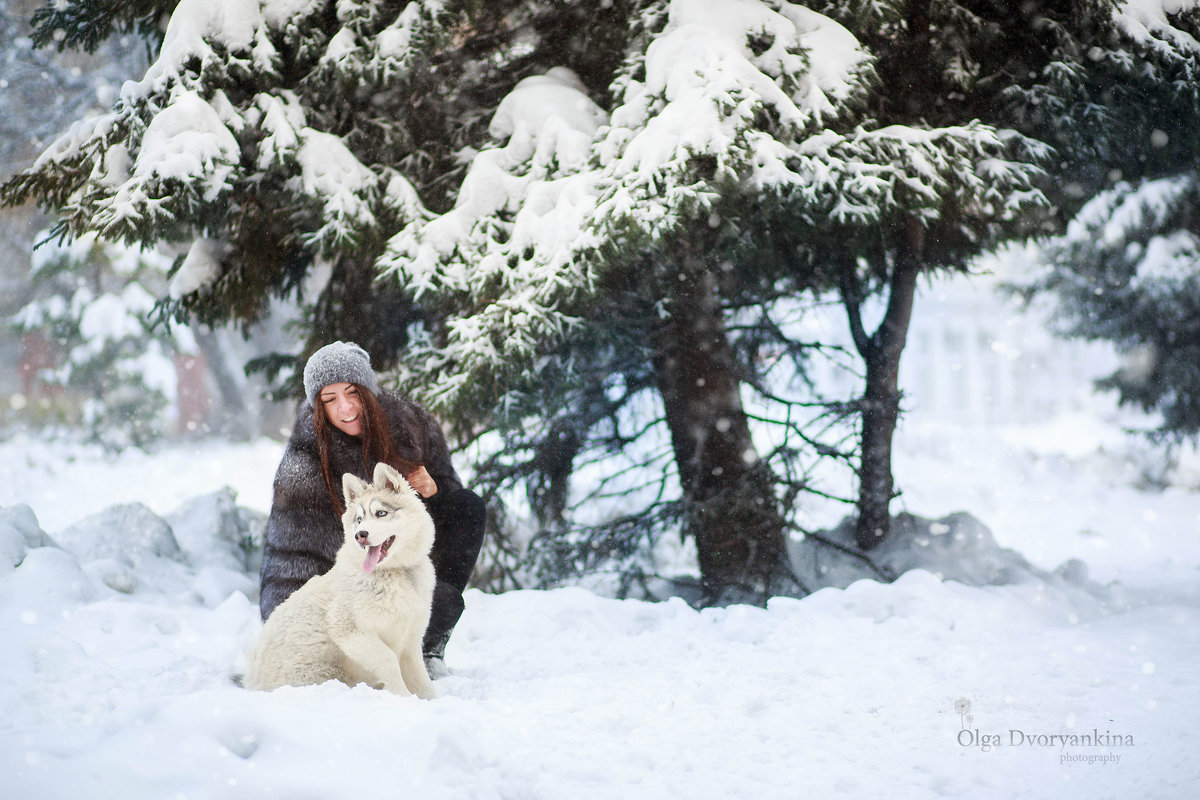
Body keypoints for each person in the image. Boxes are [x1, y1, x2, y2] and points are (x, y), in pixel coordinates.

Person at [258, 341, 486, 670]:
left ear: (369, 391)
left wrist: (434, 490)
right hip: (346, 600)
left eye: (353, 393)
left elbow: (447, 511)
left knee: (466, 507)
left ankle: (428, 647)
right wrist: (290, 636)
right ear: (318, 408)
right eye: (330, 399)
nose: (346, 408)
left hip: (400, 577)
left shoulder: (412, 425)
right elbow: (290, 561)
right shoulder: (304, 464)